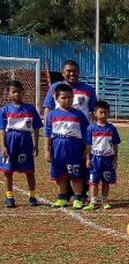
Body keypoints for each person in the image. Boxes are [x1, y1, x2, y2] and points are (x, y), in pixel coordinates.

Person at [42, 60, 98, 202]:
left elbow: (94, 111)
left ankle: (80, 195)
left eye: (74, 70)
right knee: (60, 164)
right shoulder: (55, 87)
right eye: (68, 70)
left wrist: (93, 132)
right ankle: (64, 194)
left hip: (80, 134)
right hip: (60, 133)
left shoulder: (88, 89)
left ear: (79, 72)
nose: (72, 73)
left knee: (79, 164)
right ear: (63, 72)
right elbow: (48, 107)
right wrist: (47, 126)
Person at [44, 84, 90, 208]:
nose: (67, 100)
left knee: (75, 173)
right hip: (57, 145)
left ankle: (78, 197)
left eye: (70, 97)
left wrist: (86, 150)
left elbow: (86, 133)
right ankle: (62, 197)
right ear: (57, 98)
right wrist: (47, 150)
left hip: (74, 146)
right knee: (59, 173)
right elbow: (48, 134)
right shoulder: (52, 115)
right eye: (63, 97)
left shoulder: (79, 115)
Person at [0, 80, 42, 207]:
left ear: (23, 92)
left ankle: (32, 196)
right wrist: (3, 146)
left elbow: (36, 127)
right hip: (10, 139)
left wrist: (36, 144)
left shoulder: (30, 108)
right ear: (8, 94)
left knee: (29, 170)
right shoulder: (4, 110)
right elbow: (2, 129)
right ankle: (9, 197)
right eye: (14, 92)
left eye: (19, 91)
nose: (17, 94)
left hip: (25, 139)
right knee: (8, 171)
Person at [83, 101, 120, 211]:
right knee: (93, 181)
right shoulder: (91, 128)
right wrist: (88, 158)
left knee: (106, 181)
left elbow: (115, 144)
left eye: (106, 112)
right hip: (96, 158)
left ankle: (105, 200)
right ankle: (93, 201)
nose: (104, 115)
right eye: (101, 112)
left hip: (108, 159)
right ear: (95, 113)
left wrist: (115, 159)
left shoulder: (111, 128)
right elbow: (88, 145)